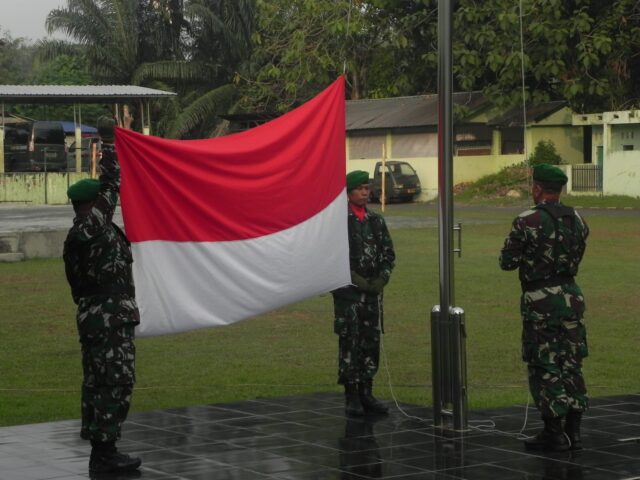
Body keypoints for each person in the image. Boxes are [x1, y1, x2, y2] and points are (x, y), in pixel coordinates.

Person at [63, 116, 142, 474]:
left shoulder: (75, 236)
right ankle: (106, 454)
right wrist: (108, 141)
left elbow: (77, 286)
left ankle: (101, 450)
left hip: (93, 316)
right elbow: (113, 182)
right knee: (114, 382)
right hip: (109, 319)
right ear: (90, 204)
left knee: (98, 382)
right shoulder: (94, 226)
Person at [499, 163, 589, 452]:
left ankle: (554, 431)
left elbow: (507, 262)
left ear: (537, 188)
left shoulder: (527, 220)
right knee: (571, 362)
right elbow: (578, 252)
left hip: (540, 300)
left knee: (544, 364)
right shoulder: (578, 218)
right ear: (559, 189)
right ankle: (574, 430)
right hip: (571, 296)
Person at [332, 170, 395, 417]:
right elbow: (331, 256)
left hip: (371, 294)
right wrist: (354, 279)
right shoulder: (339, 222)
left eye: (367, 188)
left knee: (370, 342)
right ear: (348, 193)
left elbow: (389, 254)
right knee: (350, 342)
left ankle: (367, 391)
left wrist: (381, 279)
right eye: (360, 188)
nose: (365, 192)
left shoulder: (376, 221)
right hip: (348, 295)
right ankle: (352, 394)